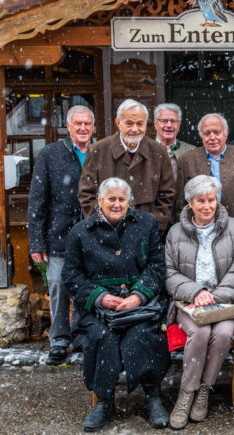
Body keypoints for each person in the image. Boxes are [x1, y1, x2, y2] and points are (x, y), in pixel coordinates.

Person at [62, 177, 171, 432]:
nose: (117, 204)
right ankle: (104, 400)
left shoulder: (147, 224)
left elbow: (157, 266)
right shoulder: (80, 232)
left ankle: (153, 396)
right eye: (111, 198)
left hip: (140, 306)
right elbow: (71, 276)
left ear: (129, 201)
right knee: (103, 337)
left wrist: (138, 295)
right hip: (99, 309)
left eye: (122, 199)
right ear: (99, 201)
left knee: (143, 334)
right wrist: (99, 296)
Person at [164, 175, 234, 430]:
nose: (206, 206)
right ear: (190, 203)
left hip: (225, 300)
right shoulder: (175, 232)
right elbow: (169, 273)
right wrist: (196, 292)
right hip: (189, 302)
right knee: (200, 333)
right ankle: (186, 393)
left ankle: (204, 389)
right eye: (200, 201)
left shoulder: (233, 227)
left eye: (211, 200)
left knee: (223, 333)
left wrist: (216, 295)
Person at [28, 104, 94, 366]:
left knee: (86, 286)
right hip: (58, 234)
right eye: (78, 123)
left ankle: (82, 335)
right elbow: (37, 200)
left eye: (87, 124)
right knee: (57, 284)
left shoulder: (100, 152)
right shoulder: (50, 154)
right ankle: (59, 339)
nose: (83, 128)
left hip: (93, 235)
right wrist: (36, 241)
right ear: (68, 126)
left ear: (93, 127)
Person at [78, 99, 175, 232]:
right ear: (118, 123)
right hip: (106, 233)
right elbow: (86, 194)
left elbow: (166, 195)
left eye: (140, 123)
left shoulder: (159, 152)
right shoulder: (97, 150)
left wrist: (152, 228)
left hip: (146, 232)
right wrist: (103, 228)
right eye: (129, 123)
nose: (135, 129)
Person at [176, 113, 234, 227]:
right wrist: (186, 228)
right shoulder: (186, 160)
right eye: (207, 133)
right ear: (201, 135)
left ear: (226, 132)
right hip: (198, 228)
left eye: (217, 132)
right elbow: (180, 201)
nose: (212, 137)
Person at [154, 103, 195, 184]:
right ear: (156, 124)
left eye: (173, 121)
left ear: (179, 125)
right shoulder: (143, 150)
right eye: (164, 121)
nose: (169, 125)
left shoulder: (191, 151)